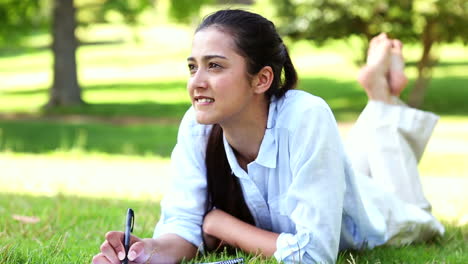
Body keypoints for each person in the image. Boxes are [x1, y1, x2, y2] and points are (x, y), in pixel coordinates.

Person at [92, 9, 444, 264]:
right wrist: (146, 252)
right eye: (192, 66)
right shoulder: (196, 127)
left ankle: (381, 99)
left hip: (373, 215)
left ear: (261, 79)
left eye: (214, 66)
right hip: (332, 180)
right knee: (353, 162)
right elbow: (184, 224)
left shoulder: (307, 115)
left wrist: (221, 224)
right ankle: (380, 98)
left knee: (418, 214)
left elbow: (314, 257)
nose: (196, 81)